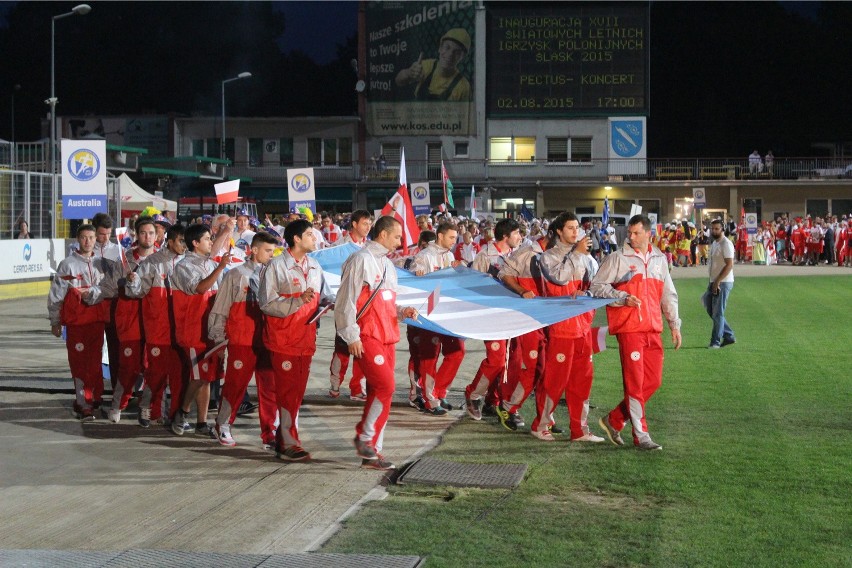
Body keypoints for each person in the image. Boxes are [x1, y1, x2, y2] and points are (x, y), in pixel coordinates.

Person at [590, 215, 682, 451]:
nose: (630, 237)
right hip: (630, 329)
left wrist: (674, 324)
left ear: (648, 233)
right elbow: (597, 287)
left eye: (635, 233)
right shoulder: (618, 258)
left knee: (653, 382)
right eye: (629, 233)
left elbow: (668, 294)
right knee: (635, 384)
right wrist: (621, 298)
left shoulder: (660, 259)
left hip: (653, 329)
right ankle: (641, 435)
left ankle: (614, 420)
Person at [335, 216, 418, 471]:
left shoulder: (388, 265)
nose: (399, 241)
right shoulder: (361, 260)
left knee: (381, 393)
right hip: (367, 334)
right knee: (386, 386)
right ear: (382, 235)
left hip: (388, 334)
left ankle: (372, 453)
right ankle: (364, 437)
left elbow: (387, 302)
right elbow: (345, 299)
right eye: (396, 236)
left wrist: (402, 311)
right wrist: (351, 335)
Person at [258, 220, 333, 460]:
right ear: (296, 239)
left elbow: (326, 295)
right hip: (283, 339)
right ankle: (289, 443)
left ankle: (284, 440)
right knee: (287, 392)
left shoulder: (314, 265)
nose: (315, 238)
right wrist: (298, 301)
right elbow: (266, 304)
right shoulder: (276, 267)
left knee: (296, 393)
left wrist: (327, 304)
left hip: (306, 339)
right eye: (310, 234)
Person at [530, 214, 605, 443]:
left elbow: (596, 286)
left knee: (582, 381)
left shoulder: (587, 258)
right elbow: (559, 280)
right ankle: (540, 425)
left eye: (577, 228)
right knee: (555, 381)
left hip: (583, 326)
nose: (576, 232)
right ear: (559, 232)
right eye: (570, 228)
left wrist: (589, 293)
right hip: (561, 328)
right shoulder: (547, 257)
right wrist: (576, 254)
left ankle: (579, 430)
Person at [208, 232, 279, 448]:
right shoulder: (236, 275)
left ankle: (270, 434)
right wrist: (218, 338)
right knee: (235, 386)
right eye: (268, 250)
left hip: (267, 340)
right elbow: (220, 308)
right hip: (242, 340)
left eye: (273, 251)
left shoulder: (273, 275)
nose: (271, 255)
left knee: (269, 389)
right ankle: (223, 424)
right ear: (254, 250)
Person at [169, 224, 232, 437]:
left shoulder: (208, 263)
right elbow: (200, 288)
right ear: (195, 243)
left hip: (211, 330)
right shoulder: (183, 266)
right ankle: (183, 412)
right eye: (207, 239)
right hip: (193, 331)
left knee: (206, 377)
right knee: (198, 375)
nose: (211, 243)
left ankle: (201, 423)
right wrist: (220, 268)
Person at [48, 224, 111, 421]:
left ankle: (93, 397)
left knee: (94, 363)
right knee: (79, 364)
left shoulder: (103, 263)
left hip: (97, 322)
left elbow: (109, 289)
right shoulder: (67, 265)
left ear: (96, 239)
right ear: (78, 239)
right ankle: (84, 403)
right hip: (76, 324)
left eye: (91, 237)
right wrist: (55, 321)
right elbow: (56, 295)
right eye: (84, 237)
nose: (88, 241)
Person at [125, 224, 186, 428]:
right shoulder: (152, 263)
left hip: (182, 331)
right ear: (170, 242)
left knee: (178, 376)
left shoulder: (188, 262)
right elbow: (136, 292)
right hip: (158, 329)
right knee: (156, 373)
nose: (185, 245)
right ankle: (149, 409)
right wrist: (132, 282)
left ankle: (177, 415)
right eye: (181, 241)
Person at [464, 218, 522, 420]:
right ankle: (473, 394)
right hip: (491, 315)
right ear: (505, 236)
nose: (520, 237)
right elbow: (473, 287)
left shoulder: (516, 255)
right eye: (516, 234)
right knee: (496, 360)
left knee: (510, 361)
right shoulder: (484, 256)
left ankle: (493, 400)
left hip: (513, 315)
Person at [102, 217, 158, 423]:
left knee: (152, 368)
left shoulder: (160, 260)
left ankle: (147, 407)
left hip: (155, 322)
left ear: (157, 235)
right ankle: (118, 405)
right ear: (136, 234)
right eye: (143, 233)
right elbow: (109, 287)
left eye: (151, 233)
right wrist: (125, 281)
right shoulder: (124, 260)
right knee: (129, 367)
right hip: (131, 323)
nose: (147, 236)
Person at [408, 222, 465, 415]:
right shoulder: (424, 256)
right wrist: (418, 275)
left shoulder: (450, 256)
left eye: (455, 238)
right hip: (429, 314)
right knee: (429, 355)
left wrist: (459, 272)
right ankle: (430, 398)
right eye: (451, 237)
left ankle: (438, 391)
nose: (453, 241)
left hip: (447, 313)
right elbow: (414, 280)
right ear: (440, 236)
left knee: (457, 352)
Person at [496, 233, 549, 432]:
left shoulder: (561, 255)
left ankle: (545, 420)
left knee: (544, 370)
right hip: (525, 320)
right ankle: (505, 405)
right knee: (524, 366)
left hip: (547, 320)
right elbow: (503, 274)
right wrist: (521, 291)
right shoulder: (526, 253)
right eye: (570, 229)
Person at [329, 210, 373, 401]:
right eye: (365, 223)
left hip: (365, 306)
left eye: (370, 223)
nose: (368, 226)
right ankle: (335, 385)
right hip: (345, 303)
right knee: (342, 348)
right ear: (354, 224)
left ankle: (357, 388)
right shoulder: (339, 247)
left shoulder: (370, 248)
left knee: (361, 348)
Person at [395, 28, 472, 102]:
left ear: (462, 58)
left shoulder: (463, 87)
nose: (450, 54)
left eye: (457, 52)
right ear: (440, 48)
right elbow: (398, 81)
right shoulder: (427, 66)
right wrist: (409, 73)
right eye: (447, 47)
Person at [705, 219, 736, 349]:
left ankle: (715, 342)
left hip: (722, 282)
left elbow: (729, 265)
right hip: (714, 281)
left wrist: (717, 281)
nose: (714, 231)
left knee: (718, 313)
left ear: (722, 229)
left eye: (717, 229)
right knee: (710, 308)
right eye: (712, 229)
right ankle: (728, 335)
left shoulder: (726, 244)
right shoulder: (715, 243)